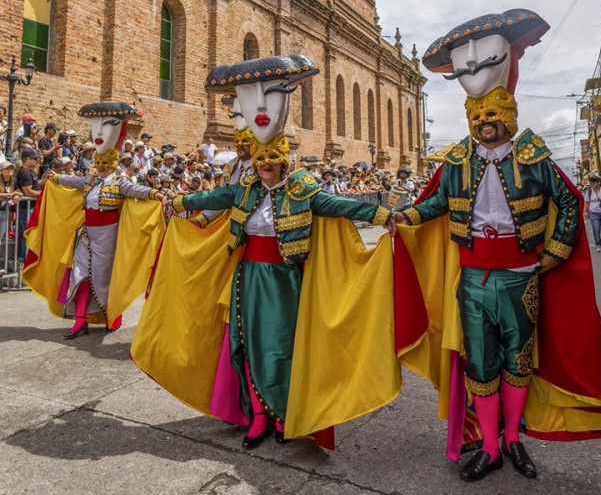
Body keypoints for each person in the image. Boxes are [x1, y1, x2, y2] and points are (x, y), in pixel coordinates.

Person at [393, 9, 601, 482]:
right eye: (479, 114)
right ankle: (488, 446)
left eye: (494, 113)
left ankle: (514, 439)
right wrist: (406, 215)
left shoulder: (535, 154)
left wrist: (555, 252)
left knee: (518, 362)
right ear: (470, 117)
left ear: (509, 113)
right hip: (472, 280)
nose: (486, 120)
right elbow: (438, 204)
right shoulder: (456, 161)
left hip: (520, 277)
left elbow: (570, 201)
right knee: (480, 365)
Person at [131, 55, 402, 451]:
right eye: (261, 161)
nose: (266, 167)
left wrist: (381, 213)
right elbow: (212, 196)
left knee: (283, 349)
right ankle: (257, 417)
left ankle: (285, 413)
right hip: (248, 278)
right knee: (247, 346)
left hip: (287, 282)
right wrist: (181, 202)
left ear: (284, 160)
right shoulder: (244, 190)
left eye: (273, 160)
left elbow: (338, 205)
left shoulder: (303, 189)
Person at [23, 101, 165, 339]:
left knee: (102, 277)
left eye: (103, 164)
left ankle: (111, 315)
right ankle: (80, 321)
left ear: (112, 164)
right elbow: (73, 181)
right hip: (87, 233)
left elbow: (136, 190)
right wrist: (56, 178)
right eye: (98, 164)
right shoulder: (90, 181)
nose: (99, 167)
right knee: (79, 273)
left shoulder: (120, 182)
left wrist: (155, 193)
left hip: (108, 236)